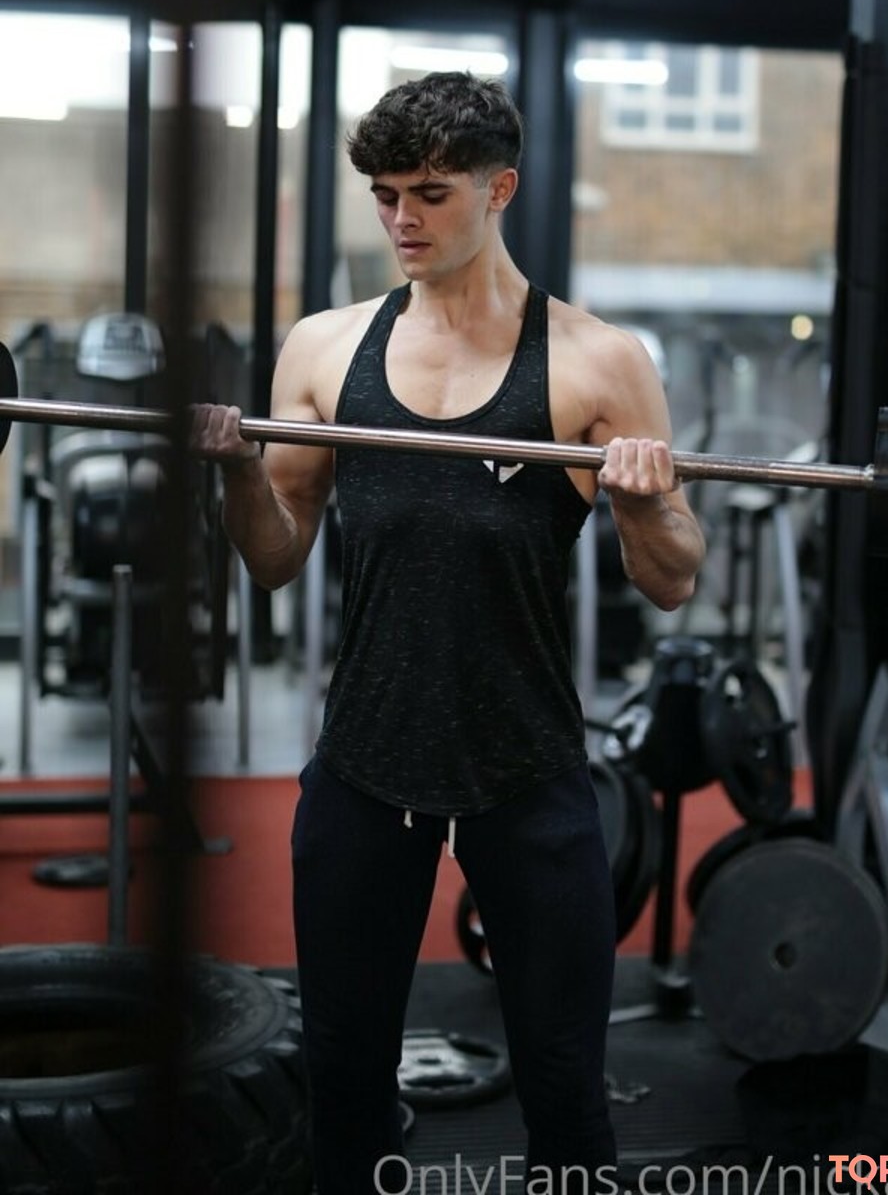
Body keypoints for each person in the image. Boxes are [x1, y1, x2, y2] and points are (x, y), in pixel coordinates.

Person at [191, 71, 705, 1195]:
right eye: (385, 195)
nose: (402, 220)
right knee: (344, 1081)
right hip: (365, 765)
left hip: (527, 767)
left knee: (565, 1086)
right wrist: (234, 473)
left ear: (499, 188)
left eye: (429, 193)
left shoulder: (597, 361)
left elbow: (672, 581)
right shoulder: (324, 350)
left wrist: (642, 501)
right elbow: (275, 556)